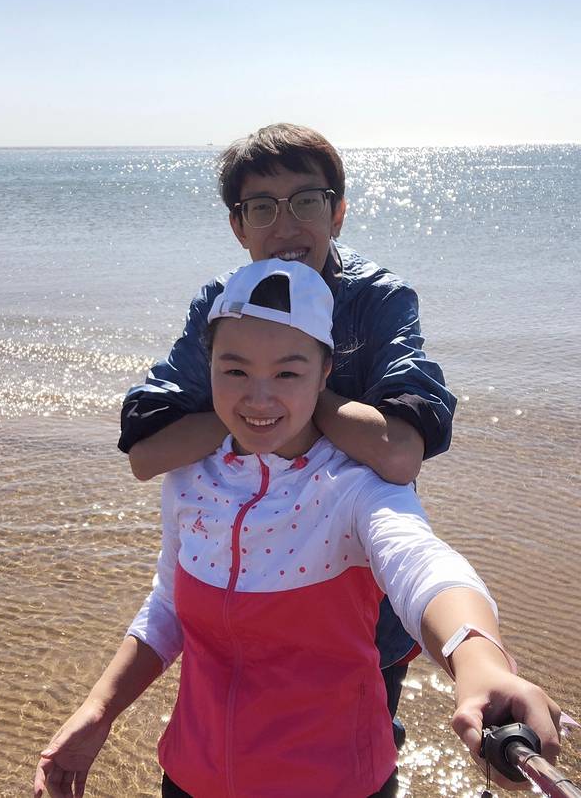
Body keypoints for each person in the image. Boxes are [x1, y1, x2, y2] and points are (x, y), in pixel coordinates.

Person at [35, 260, 561, 798]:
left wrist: (478, 658)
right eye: (234, 371)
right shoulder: (191, 476)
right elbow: (169, 603)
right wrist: (99, 710)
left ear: (325, 373)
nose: (259, 399)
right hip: (191, 777)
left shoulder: (355, 485)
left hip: (337, 783)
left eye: (287, 373)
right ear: (208, 366)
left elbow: (421, 564)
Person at [118, 123, 458, 729]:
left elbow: (400, 452)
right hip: (241, 586)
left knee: (363, 739)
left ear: (338, 212)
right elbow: (147, 453)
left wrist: (290, 397)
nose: (285, 226)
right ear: (238, 225)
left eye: (306, 201)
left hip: (356, 586)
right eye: (262, 207)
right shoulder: (222, 305)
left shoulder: (377, 300)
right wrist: (273, 407)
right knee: (230, 738)